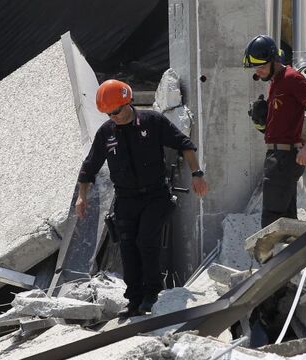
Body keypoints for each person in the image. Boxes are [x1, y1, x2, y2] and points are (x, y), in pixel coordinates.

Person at [75, 79, 207, 317]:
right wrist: (81, 197)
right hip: (126, 200)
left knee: (146, 241)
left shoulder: (152, 122)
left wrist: (197, 174)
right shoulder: (107, 133)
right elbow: (89, 167)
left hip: (155, 196)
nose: (112, 116)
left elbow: (184, 144)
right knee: (128, 248)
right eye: (108, 113)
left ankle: (152, 295)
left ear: (128, 102)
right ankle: (134, 300)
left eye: (115, 111)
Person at [244, 35, 306, 228]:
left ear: (274, 60)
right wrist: (264, 125)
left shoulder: (292, 78)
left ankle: (270, 259)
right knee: (286, 221)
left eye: (262, 66)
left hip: (284, 158)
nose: (259, 71)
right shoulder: (276, 81)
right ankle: (291, 257)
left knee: (271, 221)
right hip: (278, 155)